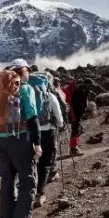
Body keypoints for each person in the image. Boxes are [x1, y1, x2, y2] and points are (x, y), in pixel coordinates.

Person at [0, 58, 42, 218]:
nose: (29, 73)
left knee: (7, 182)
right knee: (28, 180)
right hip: (20, 139)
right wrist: (37, 144)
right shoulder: (24, 88)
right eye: (27, 70)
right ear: (22, 71)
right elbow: (32, 117)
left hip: (1, 140)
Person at [35, 77, 64, 207]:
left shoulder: (25, 95)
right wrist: (60, 124)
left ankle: (26, 191)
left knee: (33, 162)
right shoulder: (50, 96)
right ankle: (39, 194)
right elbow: (59, 116)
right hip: (48, 133)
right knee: (45, 163)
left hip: (30, 133)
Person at [63, 78, 93, 156]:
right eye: (90, 85)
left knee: (78, 129)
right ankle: (73, 149)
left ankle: (74, 147)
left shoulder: (80, 90)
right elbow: (80, 103)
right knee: (76, 129)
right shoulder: (81, 91)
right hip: (75, 113)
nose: (91, 87)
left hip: (75, 113)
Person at [48, 77, 69, 182]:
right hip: (51, 125)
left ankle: (41, 172)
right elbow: (62, 107)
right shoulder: (54, 93)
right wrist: (62, 122)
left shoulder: (34, 91)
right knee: (53, 148)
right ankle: (52, 172)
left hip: (35, 126)